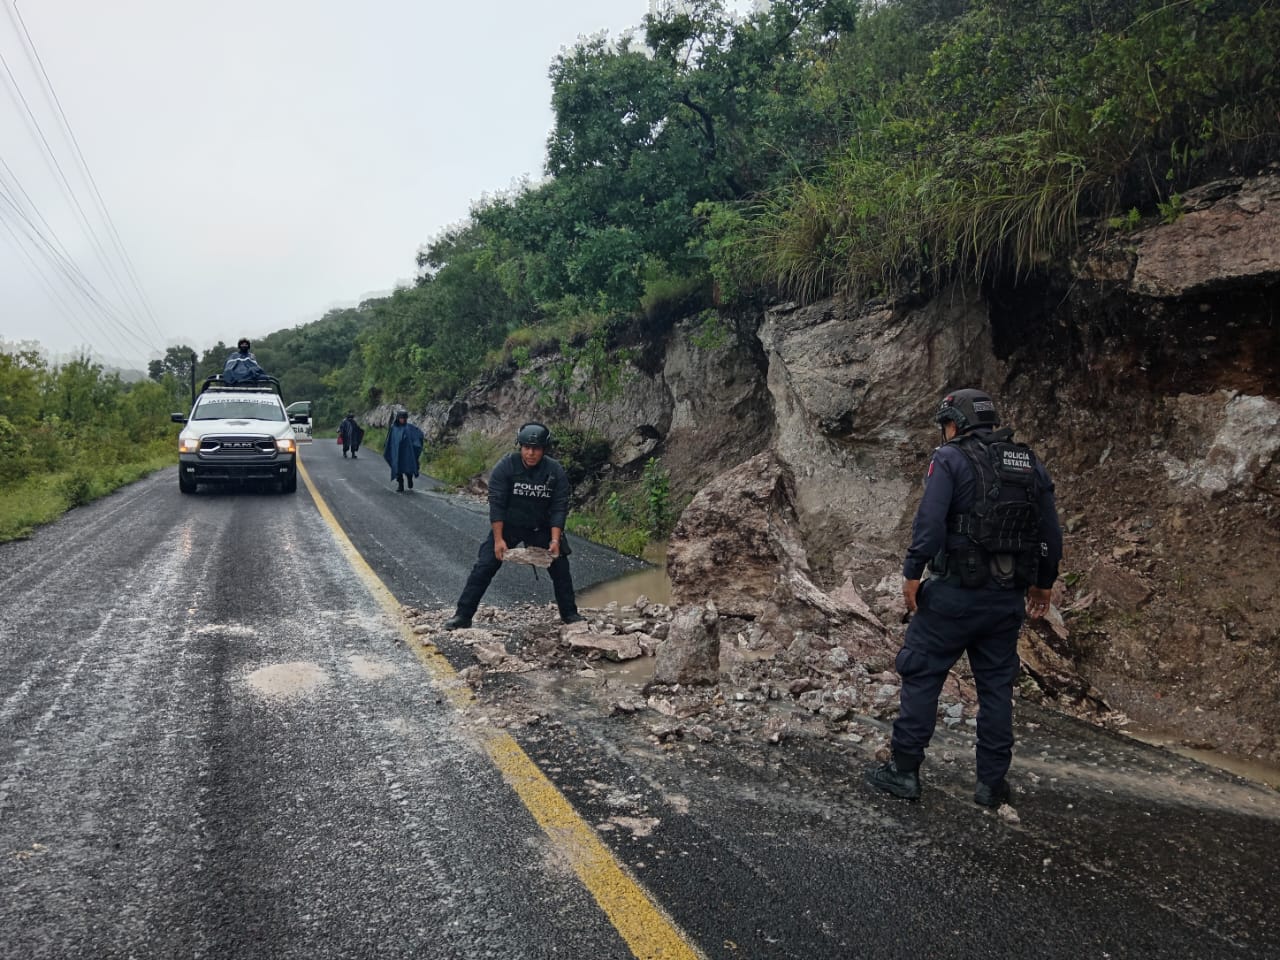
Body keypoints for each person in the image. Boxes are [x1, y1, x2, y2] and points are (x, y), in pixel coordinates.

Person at [867, 388, 1062, 807]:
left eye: (946, 425)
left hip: (953, 595)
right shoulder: (1028, 461)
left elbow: (930, 521)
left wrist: (912, 572)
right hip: (1006, 599)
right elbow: (1049, 531)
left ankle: (903, 772)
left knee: (921, 674)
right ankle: (991, 786)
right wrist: (1044, 582)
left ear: (955, 423)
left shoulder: (950, 458)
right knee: (996, 690)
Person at [442, 422, 584, 629]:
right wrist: (499, 540)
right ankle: (463, 615)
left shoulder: (555, 470)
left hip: (541, 527)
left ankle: (570, 614)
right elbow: (497, 505)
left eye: (536, 448)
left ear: (544, 449)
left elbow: (559, 507)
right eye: (526, 447)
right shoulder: (506, 466)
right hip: (509, 525)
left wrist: (555, 540)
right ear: (520, 447)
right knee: (484, 565)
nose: (531, 453)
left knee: (561, 567)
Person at [383, 409, 424, 492]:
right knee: (397, 468)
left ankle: (409, 478)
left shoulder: (409, 428)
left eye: (404, 418)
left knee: (408, 467)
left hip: (407, 453)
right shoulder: (394, 428)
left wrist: (416, 445)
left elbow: (418, 434)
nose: (402, 420)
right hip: (397, 453)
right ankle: (400, 485)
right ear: (398, 418)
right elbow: (390, 440)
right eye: (401, 418)